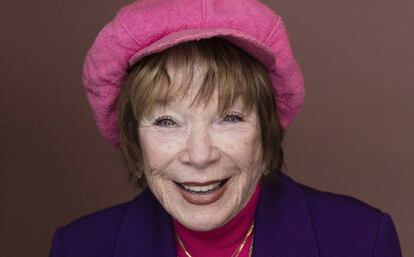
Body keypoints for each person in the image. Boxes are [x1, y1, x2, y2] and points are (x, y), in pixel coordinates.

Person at [49, 0, 402, 256]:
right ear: (135, 144)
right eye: (167, 121)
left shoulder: (361, 241)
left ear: (265, 133)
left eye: (229, 118)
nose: (200, 156)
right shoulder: (79, 247)